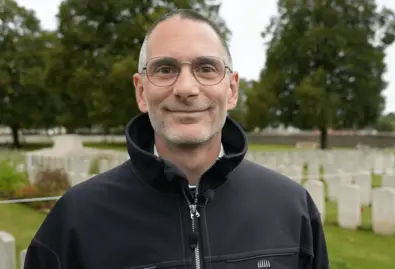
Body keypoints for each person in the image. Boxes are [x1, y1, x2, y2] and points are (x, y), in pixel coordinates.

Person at [24, 9, 329, 269]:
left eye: (206, 68)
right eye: (165, 69)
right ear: (141, 91)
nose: (185, 88)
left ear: (232, 89)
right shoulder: (76, 219)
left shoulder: (292, 208)